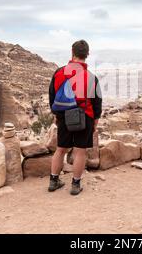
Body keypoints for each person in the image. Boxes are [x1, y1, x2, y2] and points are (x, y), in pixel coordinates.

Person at [48, 40, 102, 195]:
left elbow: (52, 96)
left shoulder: (59, 72)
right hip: (85, 117)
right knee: (80, 152)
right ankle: (75, 185)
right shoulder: (91, 77)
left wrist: (57, 115)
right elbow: (97, 103)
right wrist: (95, 122)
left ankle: (53, 181)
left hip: (64, 116)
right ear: (87, 55)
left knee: (60, 149)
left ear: (72, 52)